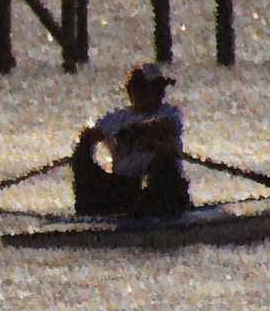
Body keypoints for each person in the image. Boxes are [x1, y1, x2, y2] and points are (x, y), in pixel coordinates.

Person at [72, 63, 191, 217]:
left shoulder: (170, 113)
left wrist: (139, 132)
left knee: (164, 162)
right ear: (132, 91)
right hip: (125, 188)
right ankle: (89, 210)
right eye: (151, 88)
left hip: (163, 191)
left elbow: (163, 126)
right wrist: (85, 144)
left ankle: (150, 212)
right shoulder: (116, 118)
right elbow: (89, 133)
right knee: (81, 157)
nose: (159, 94)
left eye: (159, 88)